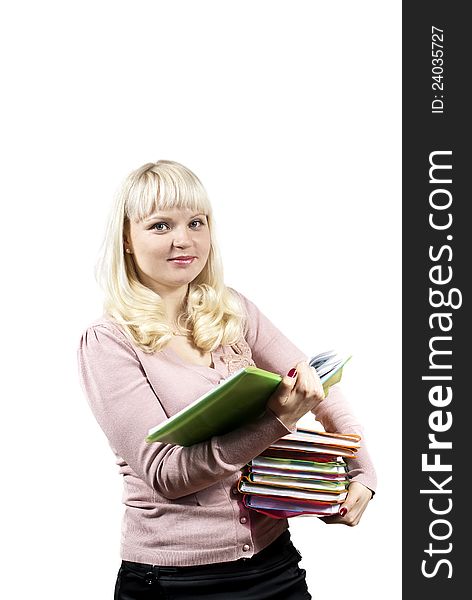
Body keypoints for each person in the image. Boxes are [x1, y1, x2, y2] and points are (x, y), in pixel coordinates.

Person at [77, 160, 377, 600]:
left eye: (195, 223)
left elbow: (320, 389)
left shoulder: (232, 311)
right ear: (127, 237)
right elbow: (166, 474)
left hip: (275, 565)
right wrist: (276, 420)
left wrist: (363, 474)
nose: (184, 240)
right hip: (174, 583)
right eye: (160, 226)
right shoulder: (107, 343)